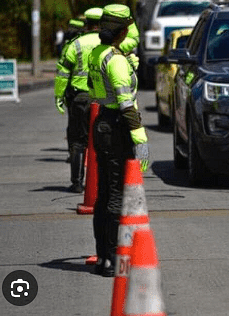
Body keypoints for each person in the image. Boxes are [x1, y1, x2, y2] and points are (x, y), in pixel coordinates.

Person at [88, 4, 149, 277]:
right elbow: (127, 104)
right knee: (115, 196)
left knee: (103, 195)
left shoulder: (98, 54)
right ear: (123, 31)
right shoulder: (116, 60)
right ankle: (113, 258)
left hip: (101, 123)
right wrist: (140, 137)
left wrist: (127, 63)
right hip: (117, 128)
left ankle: (103, 256)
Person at [54, 8, 103, 193]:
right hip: (104, 99)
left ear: (87, 24)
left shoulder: (75, 44)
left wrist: (59, 95)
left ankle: (77, 183)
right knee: (104, 142)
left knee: (77, 142)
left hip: (80, 98)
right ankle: (102, 183)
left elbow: (63, 73)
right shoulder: (110, 44)